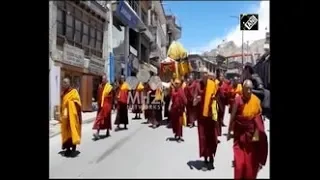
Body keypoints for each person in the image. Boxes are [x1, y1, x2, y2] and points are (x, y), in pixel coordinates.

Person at [227, 79, 268, 179]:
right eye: (246, 89)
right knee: (239, 165)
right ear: (243, 89)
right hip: (239, 136)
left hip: (251, 138)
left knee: (250, 165)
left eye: (250, 89)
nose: (249, 91)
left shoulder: (256, 101)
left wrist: (257, 135)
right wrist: (230, 131)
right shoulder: (238, 100)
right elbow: (233, 116)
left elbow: (259, 121)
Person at [197, 72, 219, 170]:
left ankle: (211, 157)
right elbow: (193, 100)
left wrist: (215, 98)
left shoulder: (212, 84)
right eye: (203, 74)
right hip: (201, 117)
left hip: (210, 117)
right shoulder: (198, 85)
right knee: (203, 138)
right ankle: (206, 157)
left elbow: (219, 96)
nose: (205, 76)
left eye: (206, 74)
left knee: (212, 138)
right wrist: (196, 100)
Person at [60, 78, 82, 157]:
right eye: (63, 83)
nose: (64, 84)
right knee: (66, 131)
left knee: (73, 130)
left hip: (73, 115)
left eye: (66, 83)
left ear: (69, 83)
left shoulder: (74, 92)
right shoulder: (63, 93)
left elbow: (78, 103)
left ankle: (73, 147)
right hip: (65, 116)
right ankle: (68, 148)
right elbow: (62, 105)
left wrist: (70, 104)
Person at [92, 75, 113, 140]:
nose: (103, 80)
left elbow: (111, 97)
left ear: (106, 80)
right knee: (99, 119)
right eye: (102, 79)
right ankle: (97, 132)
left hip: (106, 105)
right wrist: (98, 102)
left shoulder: (109, 87)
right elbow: (98, 95)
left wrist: (110, 105)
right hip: (100, 105)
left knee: (106, 119)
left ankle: (107, 131)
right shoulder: (100, 86)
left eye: (104, 79)